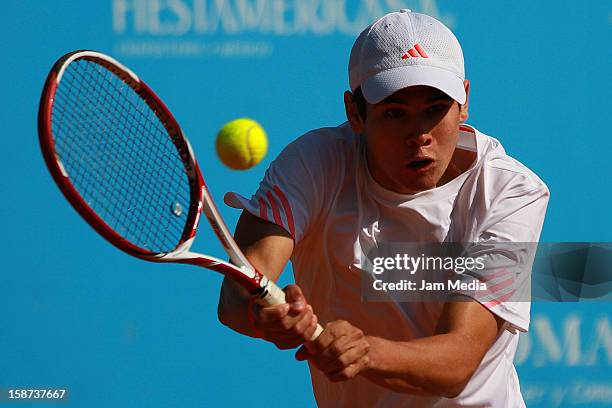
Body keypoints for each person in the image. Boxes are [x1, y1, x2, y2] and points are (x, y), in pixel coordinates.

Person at [218, 9, 549, 407]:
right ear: (355, 113)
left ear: (463, 102)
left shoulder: (511, 191)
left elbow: (459, 359)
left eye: (435, 108)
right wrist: (266, 317)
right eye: (395, 112)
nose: (420, 134)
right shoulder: (313, 164)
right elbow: (238, 295)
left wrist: (365, 350)